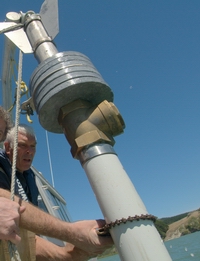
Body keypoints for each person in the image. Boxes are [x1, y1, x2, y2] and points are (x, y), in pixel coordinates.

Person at [0, 123, 113, 260]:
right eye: (23, 145)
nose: (29, 151)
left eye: (33, 146)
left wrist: (68, 255)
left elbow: (30, 235)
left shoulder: (30, 177)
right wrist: (72, 233)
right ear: (7, 147)